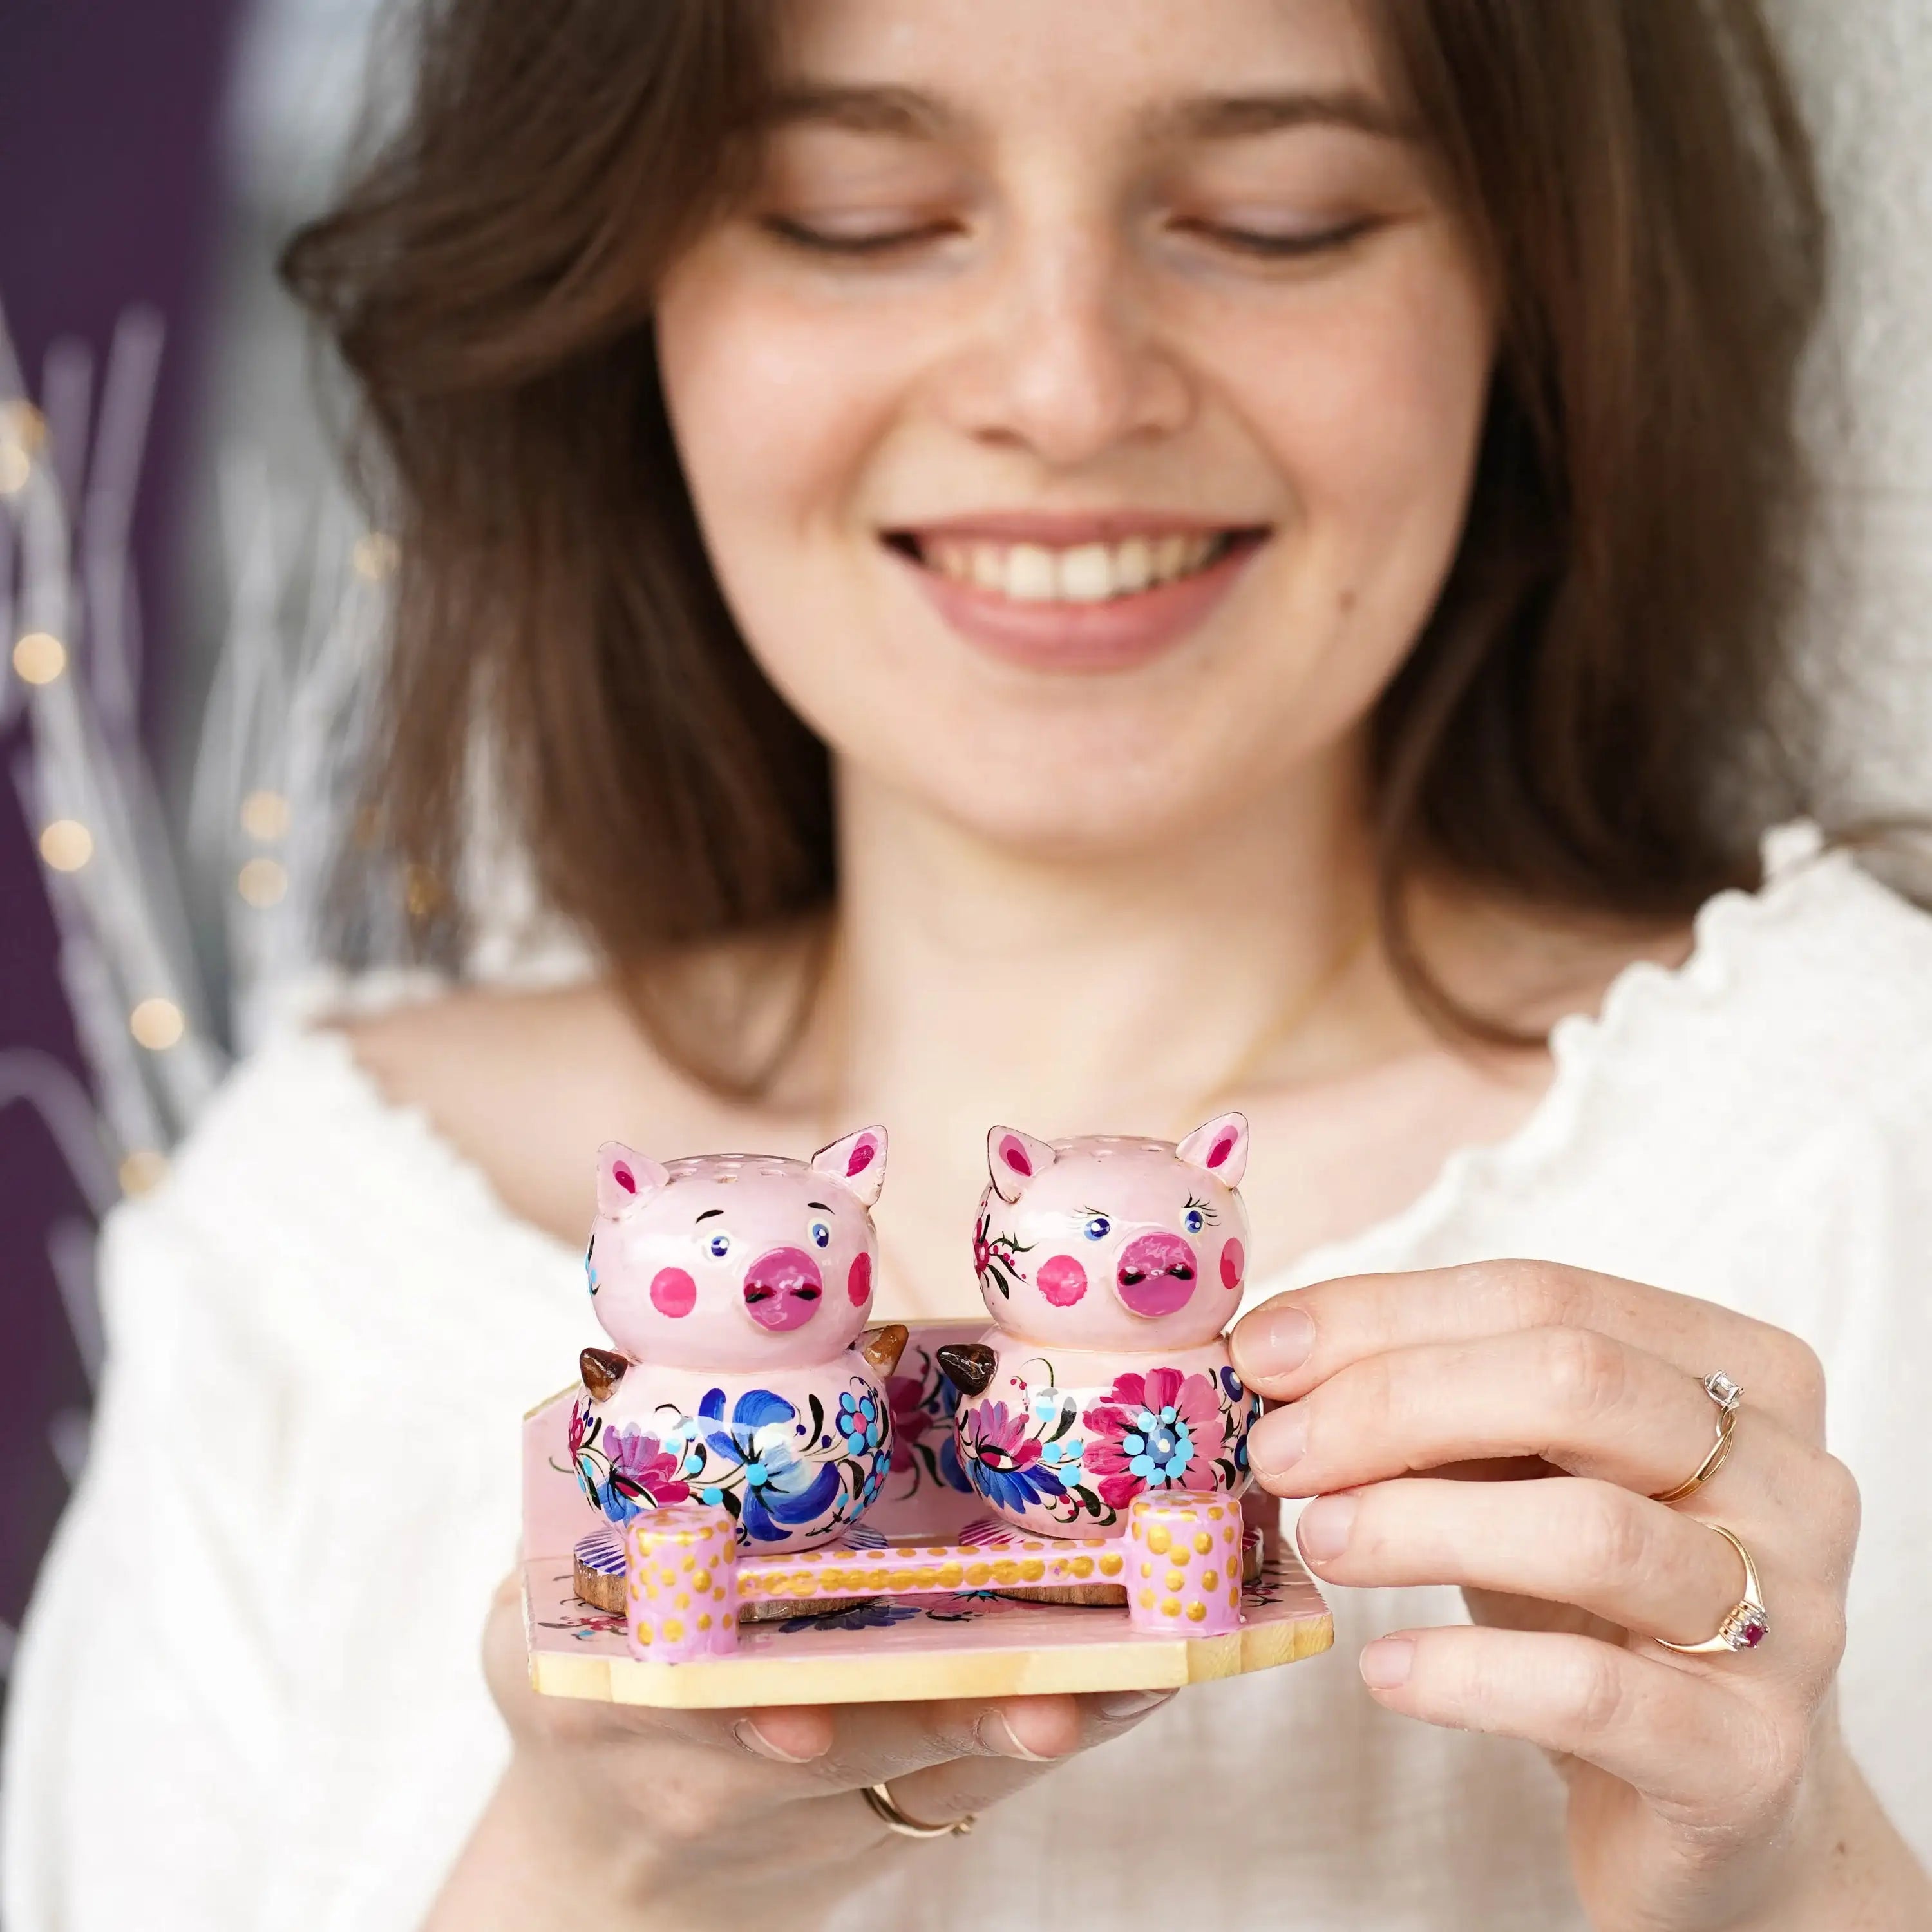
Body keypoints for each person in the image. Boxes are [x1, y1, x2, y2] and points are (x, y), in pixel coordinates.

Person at [5, 1, 1930, 1927]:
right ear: (615, 282)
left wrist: (1786, 1883)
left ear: (1542, 280)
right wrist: (591, 1884)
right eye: (853, 215)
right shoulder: (314, 1250)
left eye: (1277, 218)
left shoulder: (1853, 1142)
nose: (1068, 387)